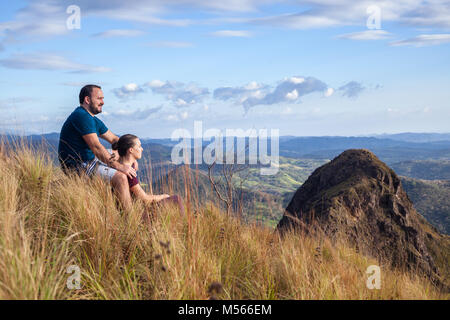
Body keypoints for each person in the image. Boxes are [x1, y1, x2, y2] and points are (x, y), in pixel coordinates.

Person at [58, 84, 135, 207]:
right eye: (99, 98)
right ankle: (129, 217)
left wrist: (129, 154)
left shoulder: (92, 119)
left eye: (103, 98)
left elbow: (115, 139)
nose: (103, 102)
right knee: (120, 177)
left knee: (121, 155)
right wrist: (118, 166)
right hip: (78, 166)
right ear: (87, 100)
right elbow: (96, 147)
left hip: (88, 160)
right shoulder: (81, 116)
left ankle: (127, 199)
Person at [112, 134, 185, 217]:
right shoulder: (129, 172)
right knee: (176, 199)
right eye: (139, 146)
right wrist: (164, 196)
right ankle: (185, 225)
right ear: (131, 150)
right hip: (138, 214)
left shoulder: (121, 166)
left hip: (134, 210)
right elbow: (144, 198)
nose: (142, 149)